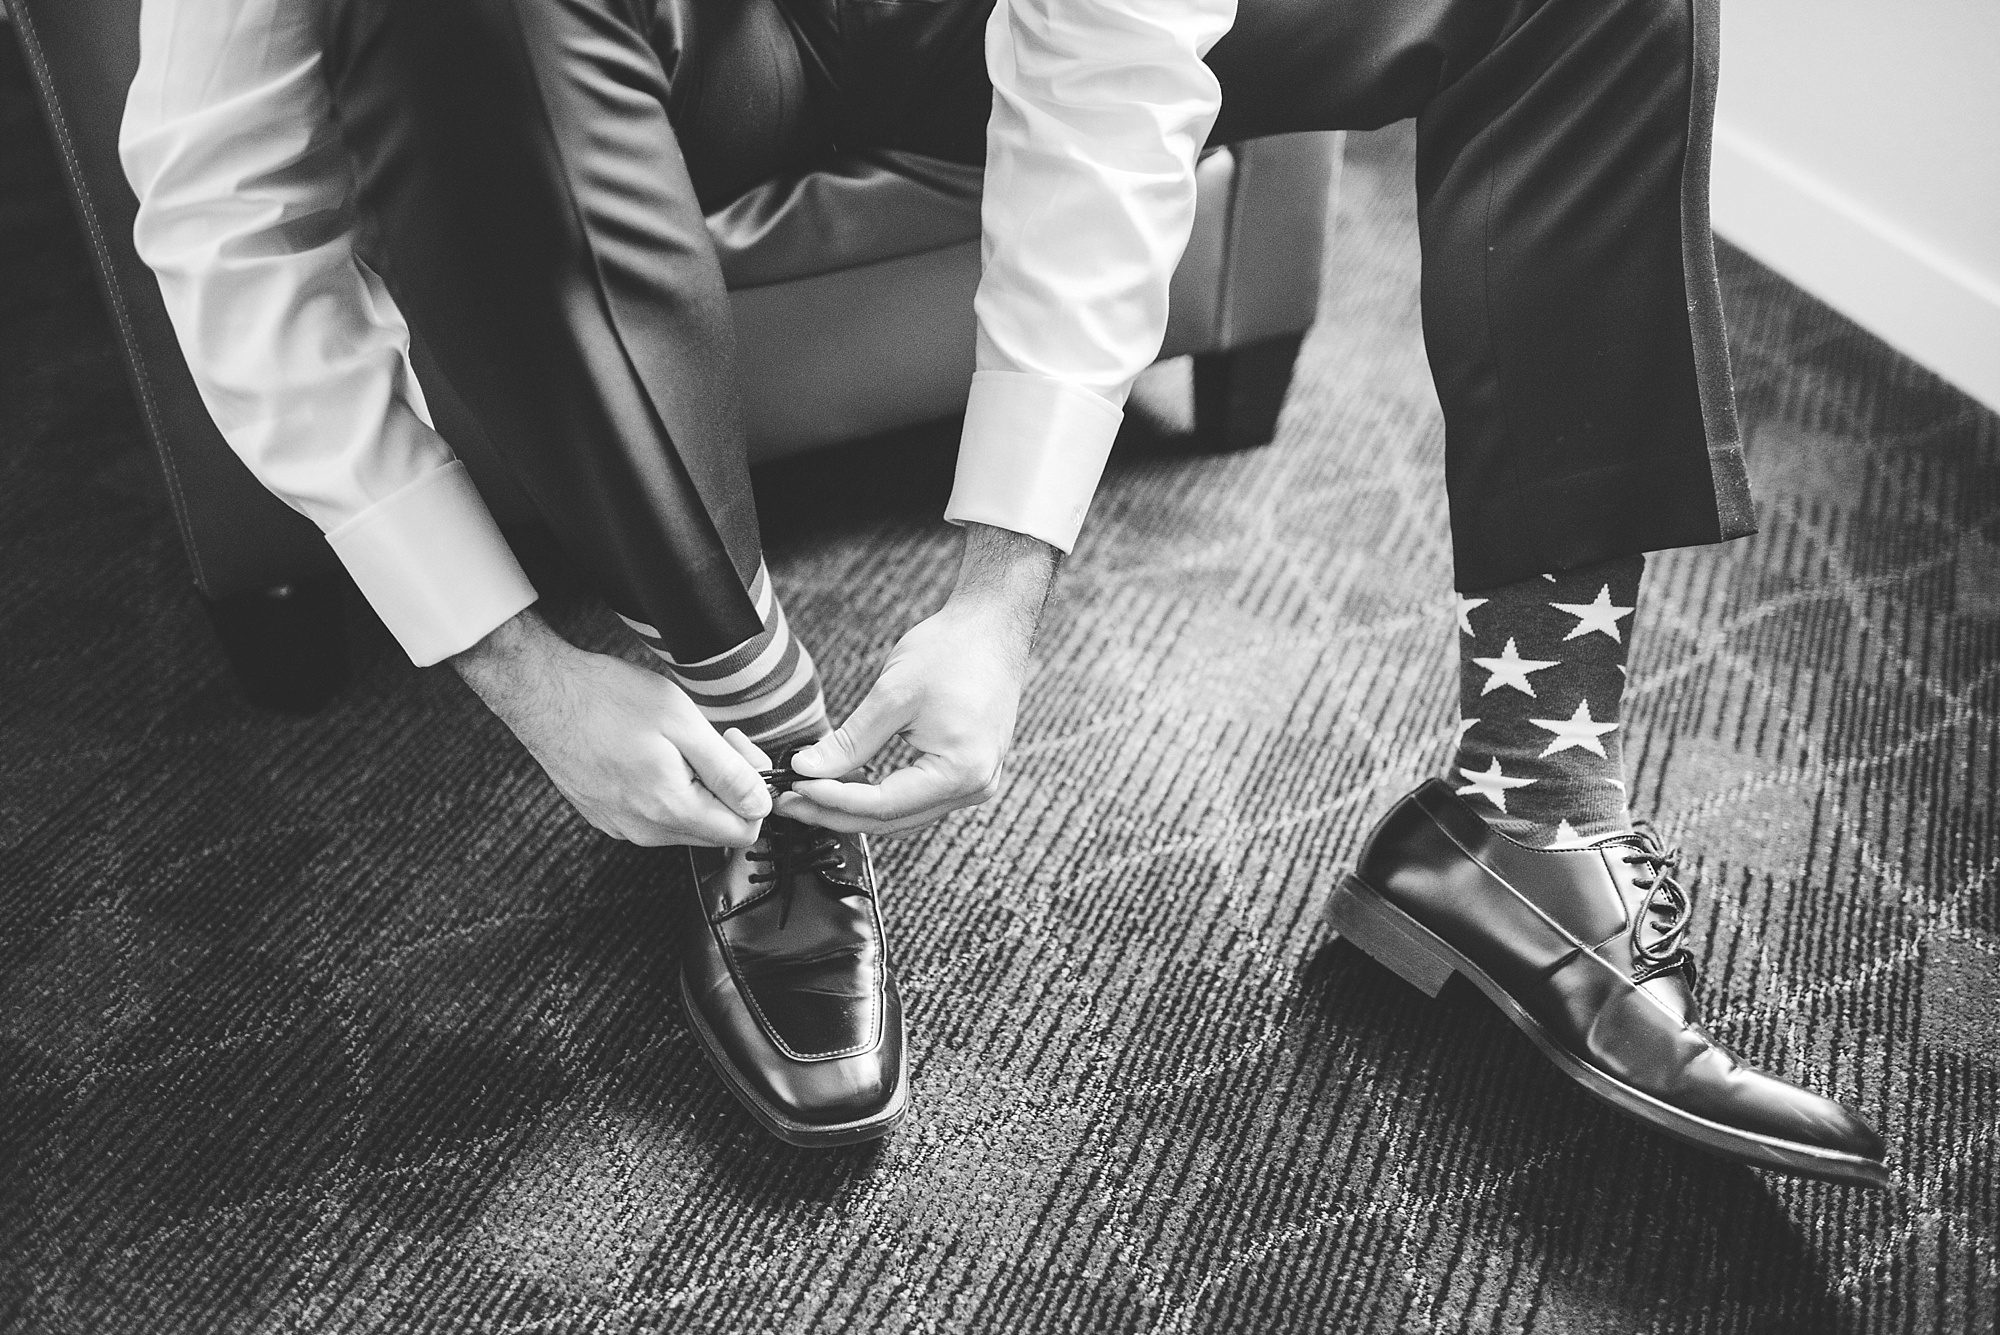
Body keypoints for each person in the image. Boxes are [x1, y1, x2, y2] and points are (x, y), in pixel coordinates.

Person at [123, 0, 1888, 1183]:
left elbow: (1110, 51)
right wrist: (519, 666)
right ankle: (765, 755)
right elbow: (227, 200)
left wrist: (1002, 589)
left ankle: (1525, 800)